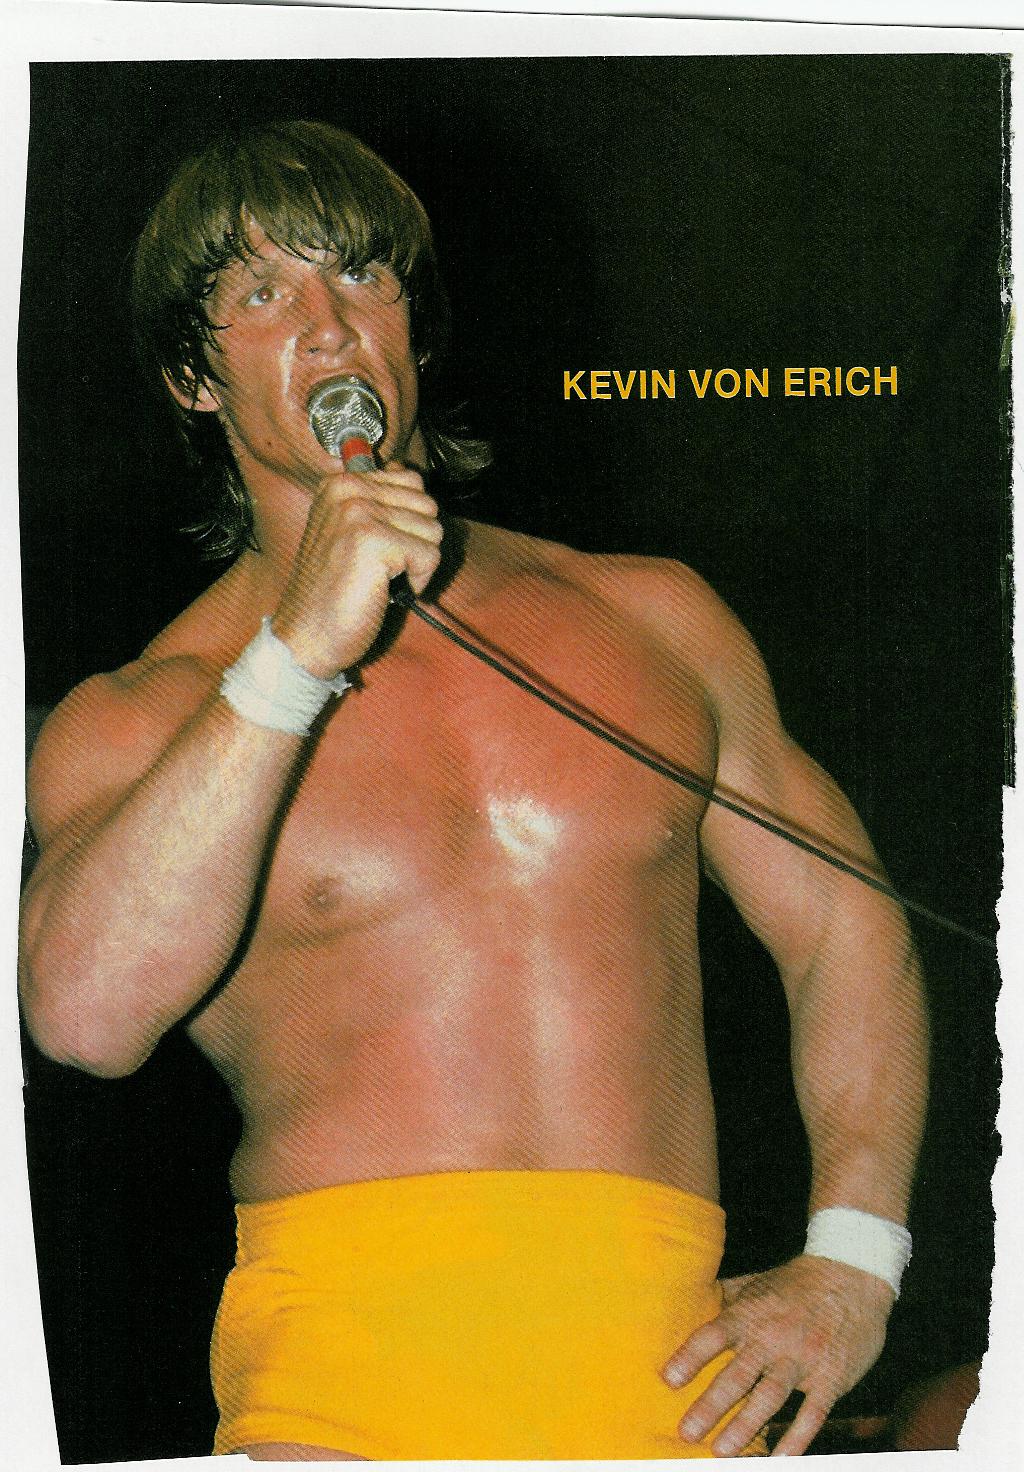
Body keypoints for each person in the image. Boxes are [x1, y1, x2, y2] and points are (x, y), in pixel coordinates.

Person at [18, 120, 928, 1461]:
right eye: (262, 293)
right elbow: (86, 1018)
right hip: (344, 1386)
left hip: (676, 1381)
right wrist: (292, 658)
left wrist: (854, 1258)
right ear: (193, 377)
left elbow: (844, 924)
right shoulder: (142, 717)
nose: (329, 326)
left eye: (363, 276)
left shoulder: (653, 617)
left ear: (415, 330)